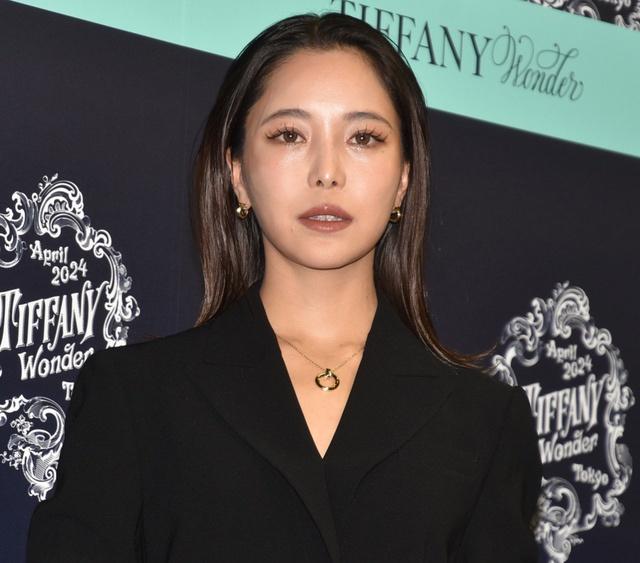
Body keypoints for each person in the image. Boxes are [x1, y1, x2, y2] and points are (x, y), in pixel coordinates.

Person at [26, 11, 543, 563]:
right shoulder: (134, 398)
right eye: (289, 135)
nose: (327, 171)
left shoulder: (486, 421)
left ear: (403, 181)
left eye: (364, 137)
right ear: (238, 174)